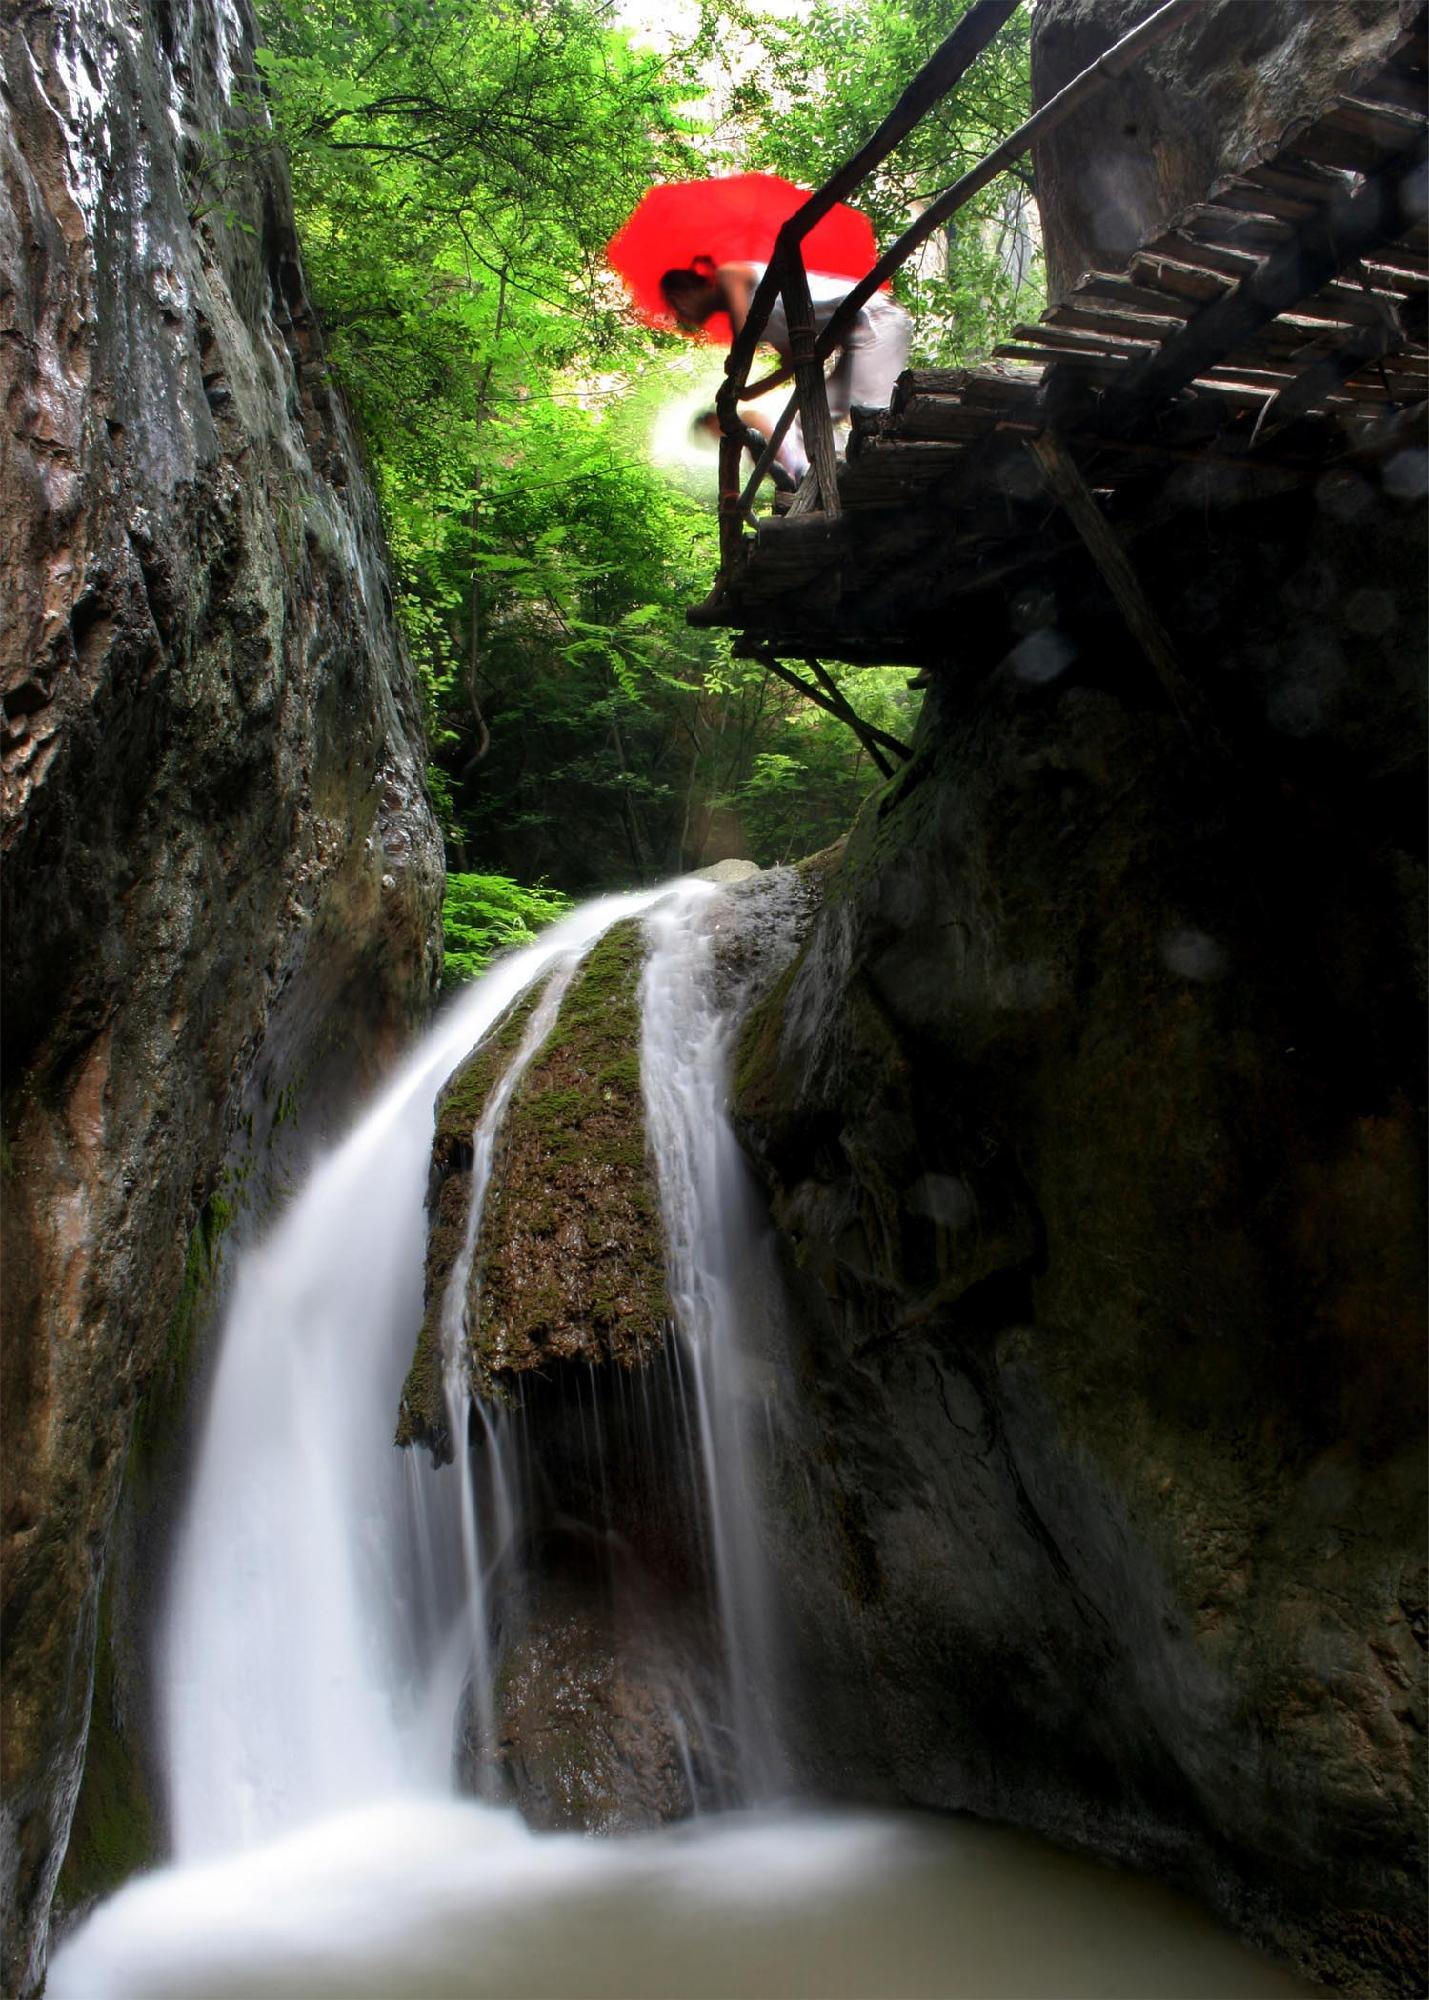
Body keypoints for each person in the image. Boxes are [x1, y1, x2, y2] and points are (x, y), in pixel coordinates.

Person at [660, 256, 912, 481]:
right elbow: (789, 365)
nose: (680, 314)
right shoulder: (763, 324)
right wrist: (748, 392)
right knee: (811, 415)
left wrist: (736, 363)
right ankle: (824, 478)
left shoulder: (730, 274)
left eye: (675, 304)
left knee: (870, 410)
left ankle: (900, 472)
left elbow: (745, 327)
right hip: (855, 337)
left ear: (686, 292)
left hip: (877, 318)